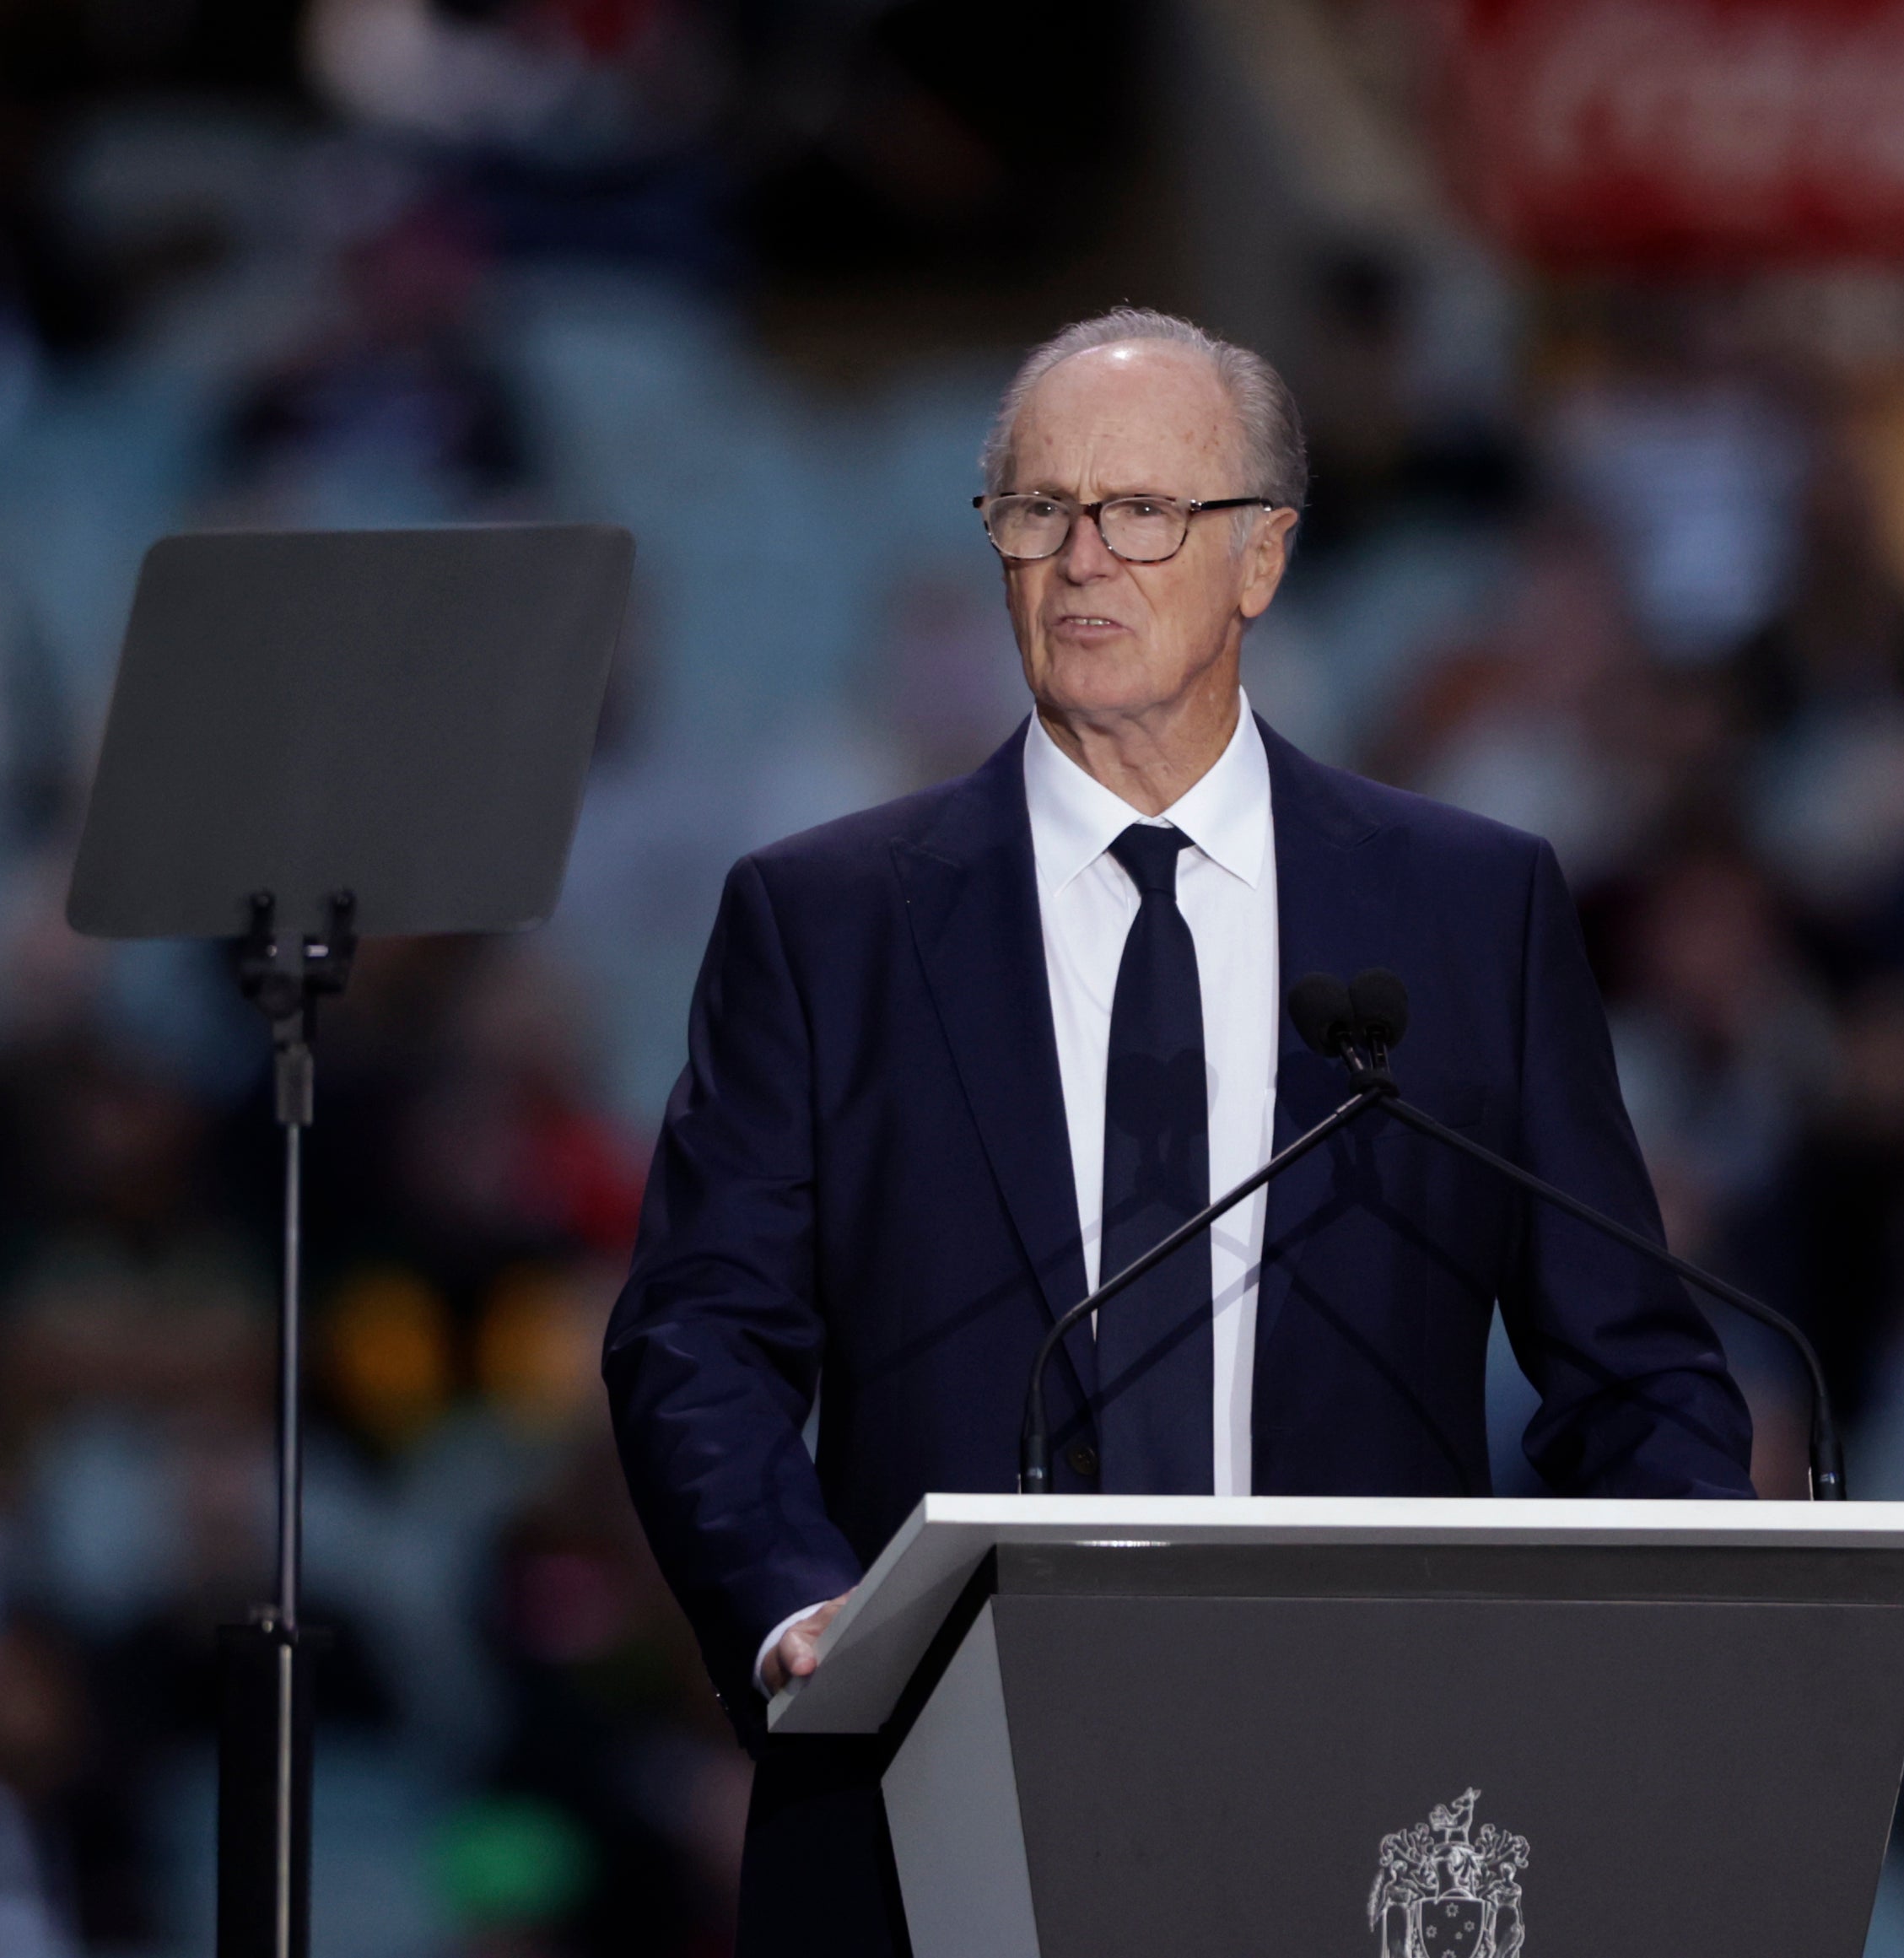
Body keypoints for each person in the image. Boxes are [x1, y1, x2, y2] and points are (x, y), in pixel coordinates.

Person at [602, 308, 1756, 1957]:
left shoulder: (1463, 909)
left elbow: (1635, 1370)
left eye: (1141, 511)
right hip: (937, 1789)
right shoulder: (825, 921)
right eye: (1036, 510)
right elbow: (694, 1332)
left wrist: (1671, 1649)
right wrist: (800, 1614)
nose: (1082, 560)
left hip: (1365, 1805)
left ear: (1262, 558)